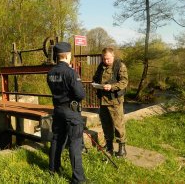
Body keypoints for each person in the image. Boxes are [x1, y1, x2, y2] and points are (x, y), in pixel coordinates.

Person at [47, 42, 86, 184]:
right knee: (75, 143)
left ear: (57, 56)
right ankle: (78, 180)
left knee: (56, 140)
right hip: (71, 112)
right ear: (68, 55)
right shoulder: (70, 72)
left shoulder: (50, 72)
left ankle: (53, 169)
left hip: (57, 110)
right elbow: (80, 95)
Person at [92, 47, 128, 157]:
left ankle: (122, 148)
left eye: (108, 59)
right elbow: (95, 78)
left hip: (115, 100)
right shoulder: (101, 66)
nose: (106, 61)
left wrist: (112, 86)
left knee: (118, 124)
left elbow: (124, 82)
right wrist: (95, 84)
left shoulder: (119, 66)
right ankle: (109, 147)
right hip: (103, 100)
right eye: (104, 59)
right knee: (106, 124)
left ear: (113, 56)